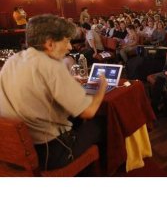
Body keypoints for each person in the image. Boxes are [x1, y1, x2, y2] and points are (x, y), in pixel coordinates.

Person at [0, 14, 107, 170]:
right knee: (101, 122)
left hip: (13, 149)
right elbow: (88, 112)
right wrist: (101, 88)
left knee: (74, 120)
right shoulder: (52, 67)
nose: (70, 47)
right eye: (67, 41)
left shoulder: (12, 60)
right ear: (50, 43)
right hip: (51, 153)